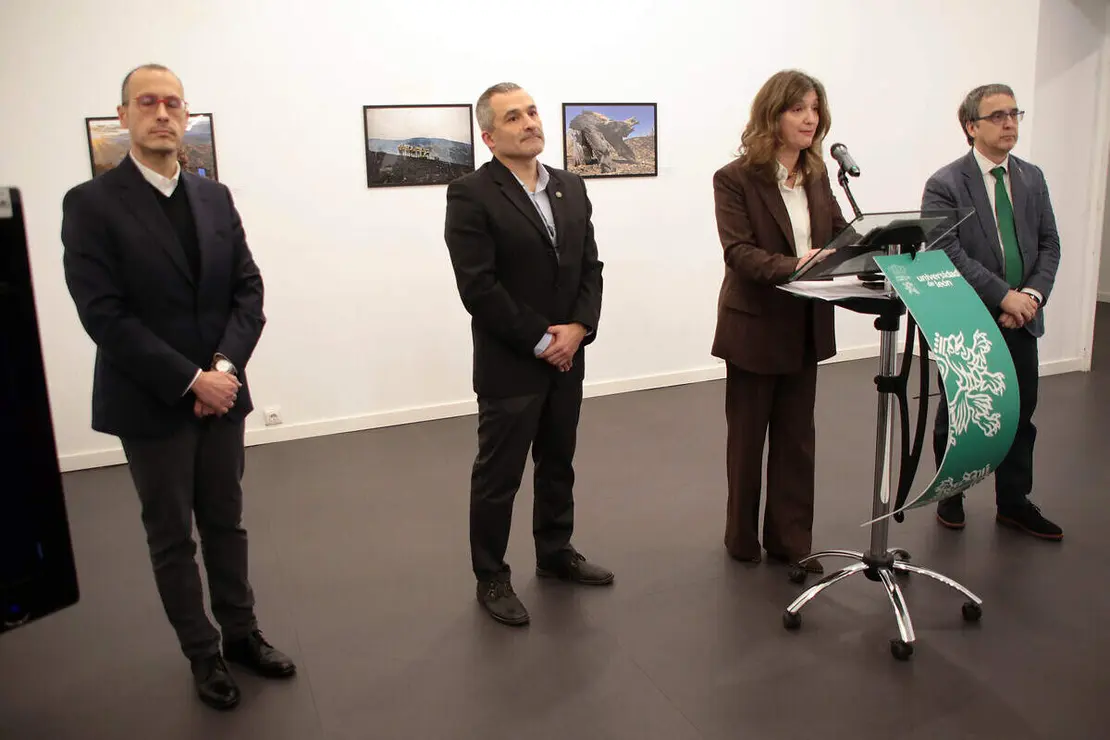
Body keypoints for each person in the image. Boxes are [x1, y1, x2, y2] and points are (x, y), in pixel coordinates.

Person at [61, 63, 296, 710]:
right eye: (147, 102)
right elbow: (103, 314)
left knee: (226, 523)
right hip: (150, 401)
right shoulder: (91, 205)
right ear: (124, 117)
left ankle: (242, 634)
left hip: (222, 394)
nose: (161, 113)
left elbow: (248, 290)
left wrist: (224, 371)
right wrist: (191, 379)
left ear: (186, 114)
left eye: (172, 103)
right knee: (171, 536)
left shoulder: (213, 197)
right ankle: (203, 653)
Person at [443, 82, 613, 626]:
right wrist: (543, 340)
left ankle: (555, 551)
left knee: (558, 461)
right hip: (512, 361)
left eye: (533, 112)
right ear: (490, 137)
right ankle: (491, 575)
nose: (530, 123)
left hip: (569, 355)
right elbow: (479, 287)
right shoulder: (470, 193)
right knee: (499, 476)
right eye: (513, 117)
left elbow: (590, 267)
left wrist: (579, 328)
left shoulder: (571, 186)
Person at [710, 70, 849, 573]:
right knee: (748, 442)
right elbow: (739, 253)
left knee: (797, 441)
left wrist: (871, 247)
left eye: (815, 108)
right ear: (772, 115)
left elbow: (839, 235)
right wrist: (796, 266)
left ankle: (791, 540)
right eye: (798, 109)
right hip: (755, 326)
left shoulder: (818, 175)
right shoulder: (735, 178)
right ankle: (742, 539)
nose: (810, 119)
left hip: (805, 324)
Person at [921, 84, 1062, 540]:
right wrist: (1004, 297)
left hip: (1023, 316)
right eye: (997, 116)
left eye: (1014, 114)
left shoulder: (1032, 178)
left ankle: (1014, 502)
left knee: (1021, 412)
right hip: (970, 319)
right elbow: (946, 252)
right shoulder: (945, 184)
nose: (1009, 123)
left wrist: (1030, 298)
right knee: (961, 413)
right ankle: (951, 494)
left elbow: (1049, 244)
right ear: (971, 126)